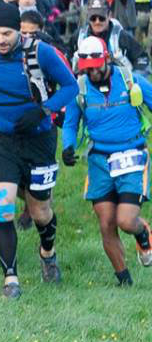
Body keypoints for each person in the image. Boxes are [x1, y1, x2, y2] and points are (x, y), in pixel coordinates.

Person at [0, 0, 75, 298]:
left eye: (7, 33)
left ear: (18, 31)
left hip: (39, 140)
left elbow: (70, 86)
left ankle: (47, 252)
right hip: (1, 140)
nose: (1, 40)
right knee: (3, 209)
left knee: (40, 211)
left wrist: (44, 110)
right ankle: (11, 278)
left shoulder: (40, 52)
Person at [61, 35, 152, 285]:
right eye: (87, 69)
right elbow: (70, 124)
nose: (93, 73)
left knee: (125, 220)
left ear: (107, 60)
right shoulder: (79, 88)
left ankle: (143, 233)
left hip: (132, 156)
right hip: (100, 160)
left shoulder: (130, 80)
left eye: (96, 68)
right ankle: (124, 279)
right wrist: (67, 147)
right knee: (106, 222)